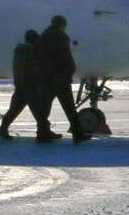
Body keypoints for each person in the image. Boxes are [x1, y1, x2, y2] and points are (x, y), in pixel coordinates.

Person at [35, 14, 89, 143]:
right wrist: (70, 70)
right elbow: (66, 57)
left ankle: (42, 133)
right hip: (61, 78)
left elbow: (37, 57)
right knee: (69, 108)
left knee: (44, 108)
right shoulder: (61, 37)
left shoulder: (43, 37)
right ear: (62, 25)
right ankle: (77, 134)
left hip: (46, 78)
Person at [0, 29, 54, 141]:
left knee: (14, 110)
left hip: (21, 85)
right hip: (30, 86)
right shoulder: (31, 52)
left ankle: (3, 129)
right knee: (39, 112)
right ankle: (45, 133)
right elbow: (37, 68)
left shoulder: (20, 51)